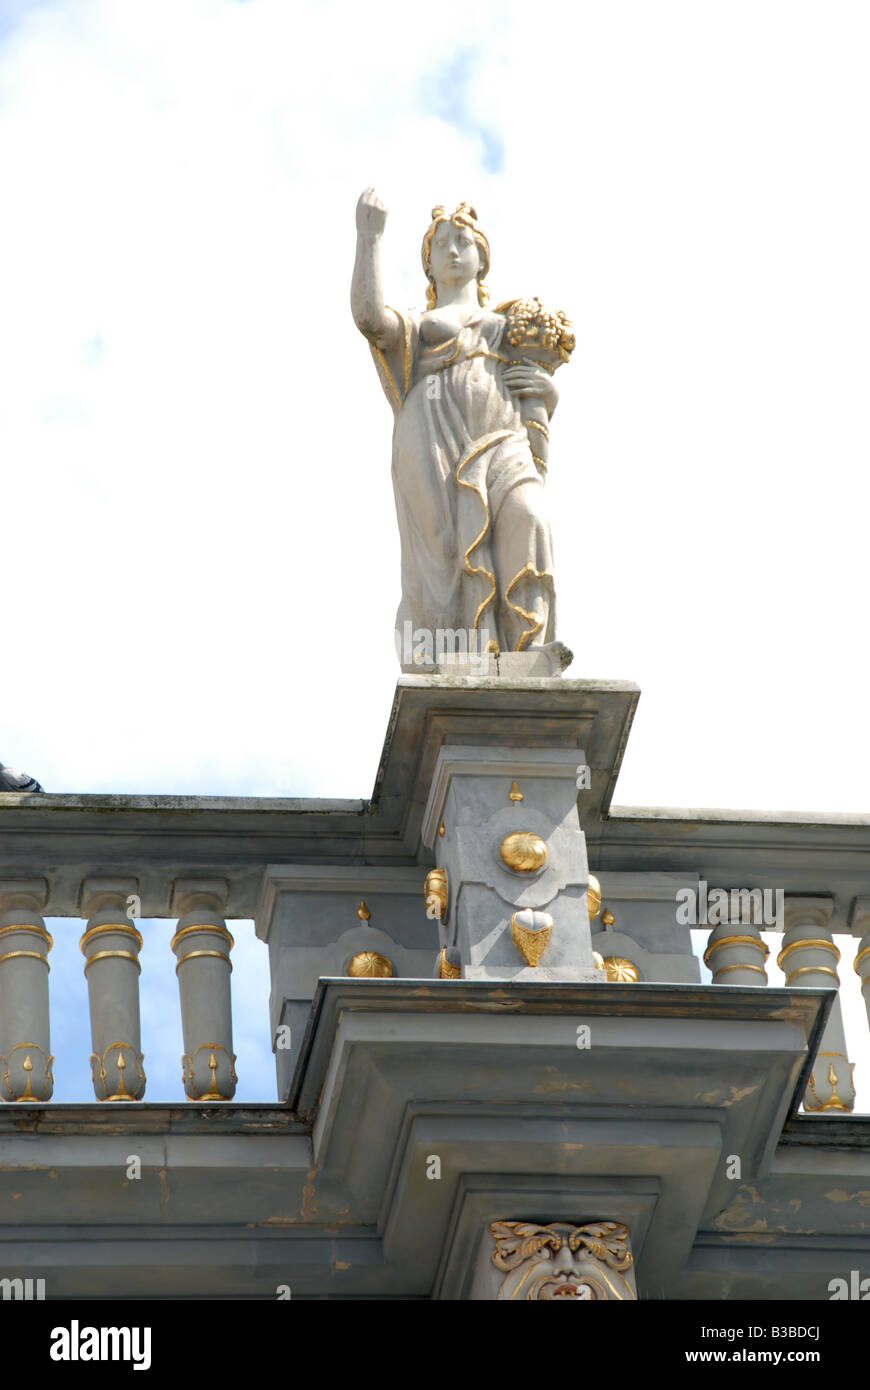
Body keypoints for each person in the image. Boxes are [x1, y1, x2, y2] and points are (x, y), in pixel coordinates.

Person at [351, 189, 570, 665]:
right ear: (427, 265)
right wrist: (369, 237)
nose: (452, 250)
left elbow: (538, 393)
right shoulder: (418, 324)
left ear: (481, 258)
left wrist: (547, 395)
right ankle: (450, 655)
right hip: (430, 436)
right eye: (441, 244)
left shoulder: (511, 323)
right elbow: (370, 319)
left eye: (463, 241)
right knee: (445, 553)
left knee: (528, 514)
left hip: (502, 439)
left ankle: (527, 648)